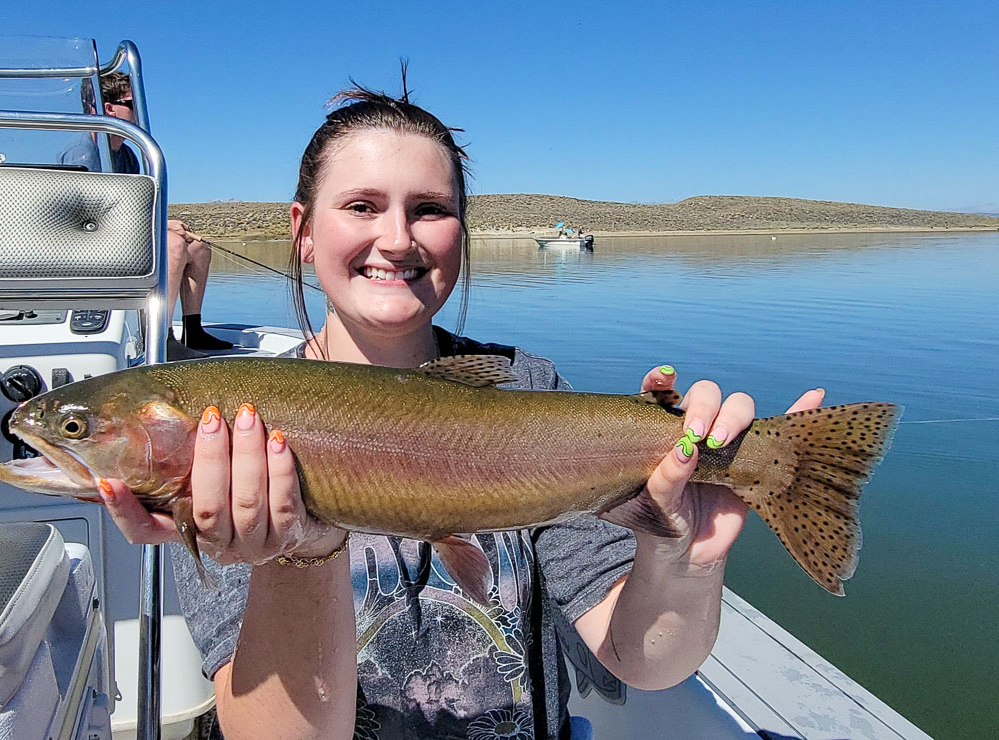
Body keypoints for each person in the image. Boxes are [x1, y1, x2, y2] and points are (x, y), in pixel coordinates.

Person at [98, 84, 824, 739]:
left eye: (430, 210)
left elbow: (644, 661)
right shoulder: (233, 447)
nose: (396, 238)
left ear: (460, 232)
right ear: (303, 230)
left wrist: (682, 561)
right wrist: (298, 554)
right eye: (361, 206)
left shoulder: (528, 387)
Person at [58, 73, 230, 352]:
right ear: (108, 108)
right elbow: (89, 221)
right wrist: (160, 230)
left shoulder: (127, 154)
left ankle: (193, 330)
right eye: (131, 103)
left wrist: (163, 223)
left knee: (198, 247)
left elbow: (132, 210)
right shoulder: (84, 152)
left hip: (119, 240)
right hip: (87, 248)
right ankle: (161, 339)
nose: (137, 110)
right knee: (173, 246)